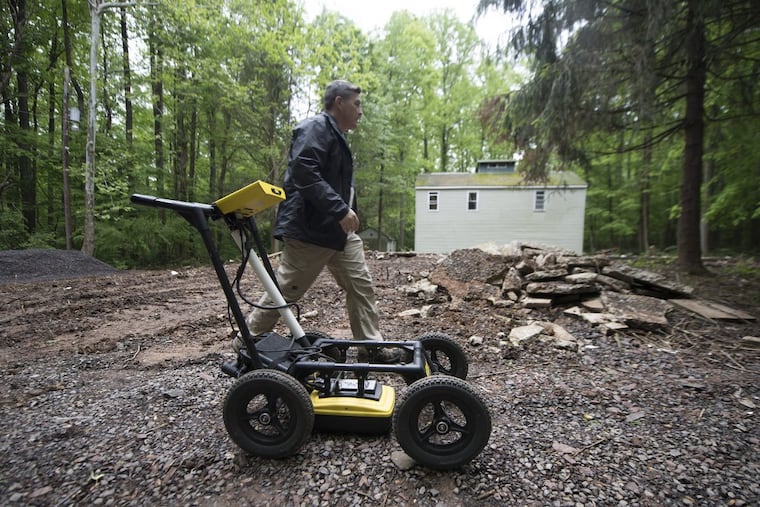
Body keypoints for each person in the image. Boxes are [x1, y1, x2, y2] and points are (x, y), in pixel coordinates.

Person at [234, 79, 403, 363]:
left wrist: (344, 214)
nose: (360, 111)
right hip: (311, 230)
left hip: (339, 234)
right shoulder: (315, 128)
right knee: (287, 289)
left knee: (361, 286)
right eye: (356, 104)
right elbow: (304, 171)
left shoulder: (336, 135)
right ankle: (247, 342)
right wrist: (340, 210)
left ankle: (370, 348)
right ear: (339, 102)